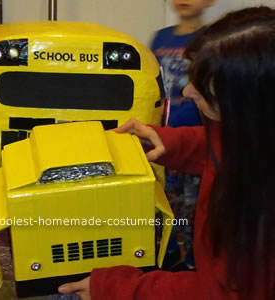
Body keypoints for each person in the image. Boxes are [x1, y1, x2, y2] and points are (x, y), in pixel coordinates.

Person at [58, 6, 275, 300]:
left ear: (248, 101)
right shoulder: (254, 133)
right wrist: (165, 140)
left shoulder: (258, 204)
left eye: (205, 87)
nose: (187, 93)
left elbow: (221, 294)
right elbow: (224, 146)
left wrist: (117, 288)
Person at [151, 0, 215, 263]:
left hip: (198, 140)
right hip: (164, 137)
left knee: (195, 206)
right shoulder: (160, 38)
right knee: (165, 200)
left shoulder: (212, 39)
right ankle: (168, 253)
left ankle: (194, 260)